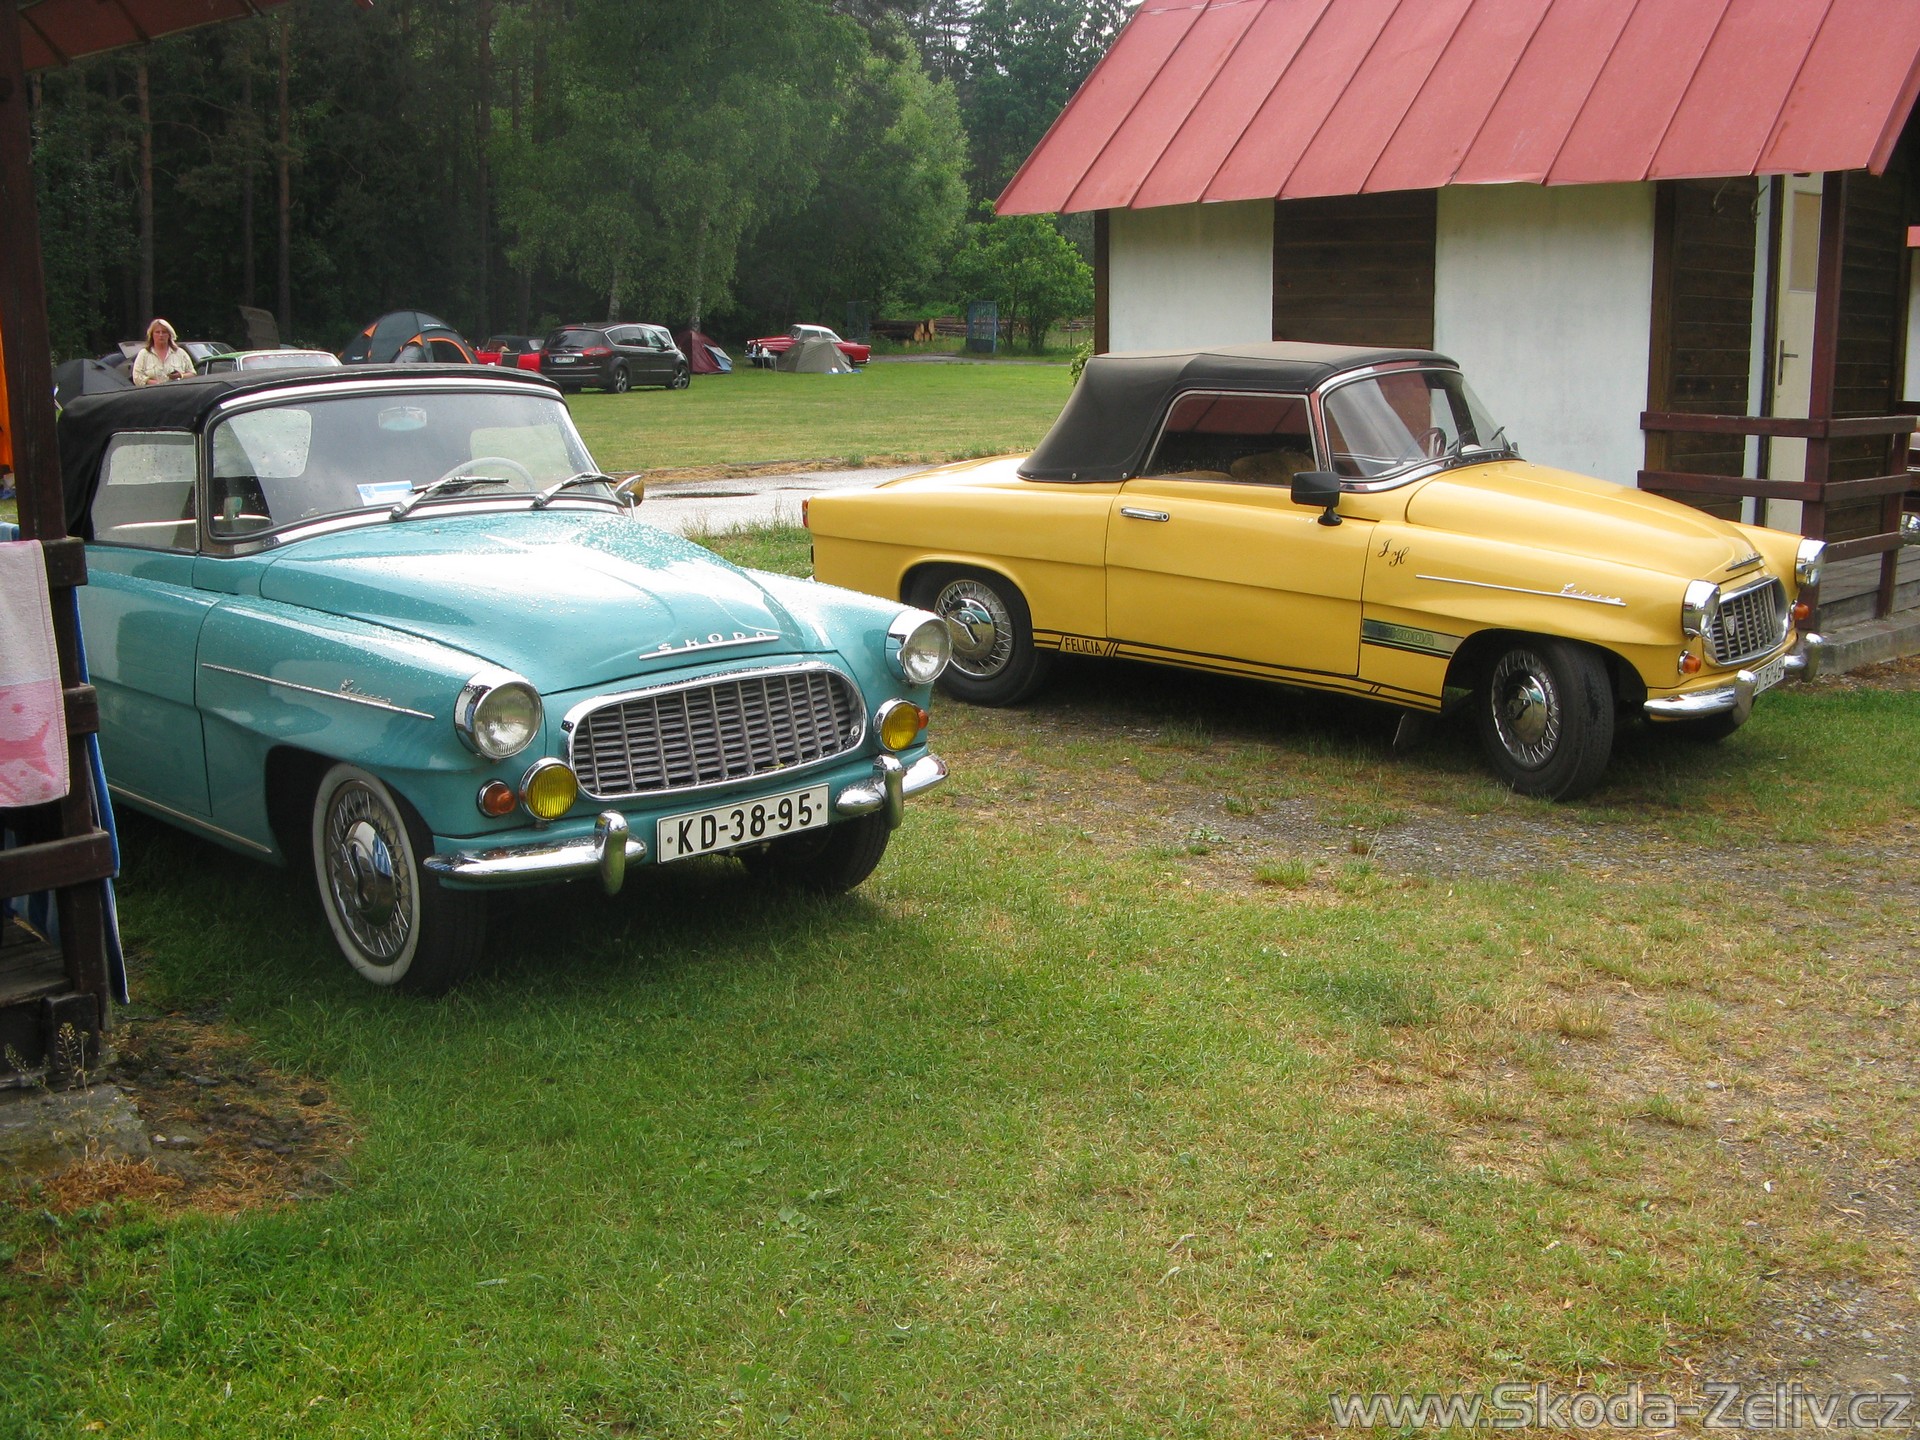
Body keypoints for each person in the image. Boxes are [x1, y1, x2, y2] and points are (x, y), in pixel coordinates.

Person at [131, 318, 194, 386]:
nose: (161, 335)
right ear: (152, 335)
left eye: (164, 332)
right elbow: (136, 377)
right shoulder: (144, 354)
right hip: (152, 391)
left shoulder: (180, 353)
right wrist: (155, 383)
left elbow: (193, 374)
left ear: (169, 335)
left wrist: (180, 375)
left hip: (176, 391)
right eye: (157, 332)